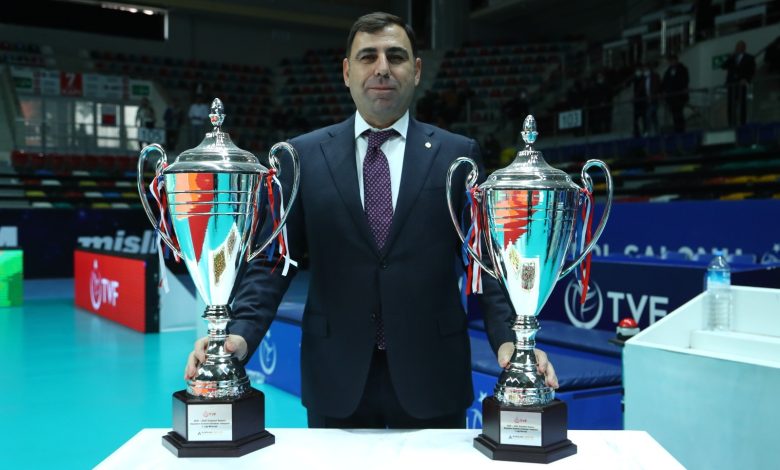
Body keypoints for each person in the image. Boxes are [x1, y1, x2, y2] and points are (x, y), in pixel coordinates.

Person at [185, 12, 557, 429]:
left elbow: (486, 263)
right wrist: (237, 335)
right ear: (347, 72)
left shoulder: (457, 155)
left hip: (433, 376)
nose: (382, 68)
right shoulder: (302, 157)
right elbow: (274, 262)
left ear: (416, 71)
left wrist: (511, 341)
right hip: (335, 377)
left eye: (396, 56)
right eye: (368, 57)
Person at [721, 40, 755, 127]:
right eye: (737, 47)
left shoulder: (749, 58)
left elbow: (752, 71)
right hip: (732, 85)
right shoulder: (732, 58)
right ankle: (731, 123)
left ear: (743, 48)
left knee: (742, 104)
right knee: (730, 105)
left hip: (741, 85)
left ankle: (743, 123)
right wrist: (731, 57)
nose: (737, 48)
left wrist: (746, 79)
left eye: (739, 47)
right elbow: (723, 66)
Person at [661, 54, 689, 133]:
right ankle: (677, 129)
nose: (671, 62)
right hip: (671, 97)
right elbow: (664, 83)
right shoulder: (668, 71)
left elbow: (685, 80)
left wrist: (683, 90)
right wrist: (664, 91)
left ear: (676, 60)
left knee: (679, 113)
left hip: (679, 95)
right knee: (674, 114)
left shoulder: (682, 69)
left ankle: (681, 129)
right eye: (670, 61)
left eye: (672, 61)